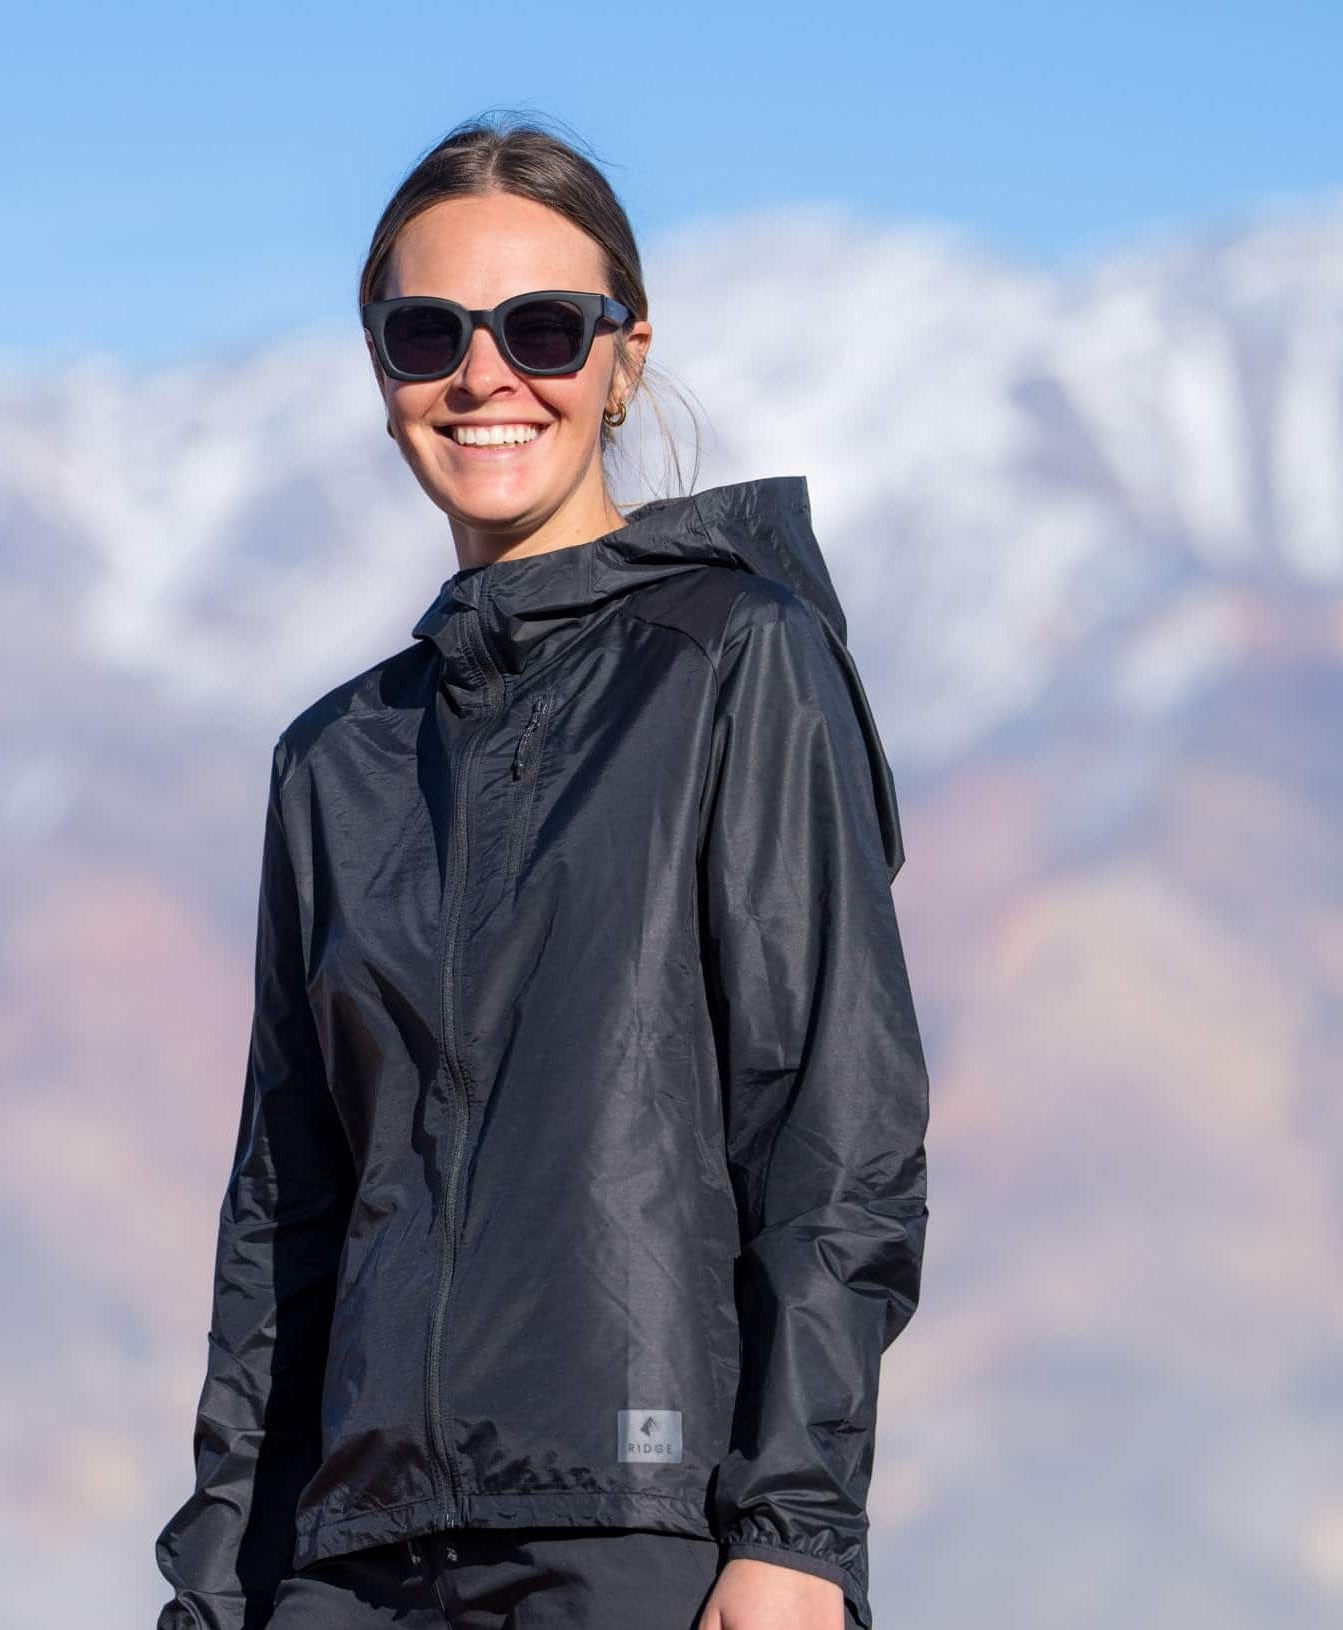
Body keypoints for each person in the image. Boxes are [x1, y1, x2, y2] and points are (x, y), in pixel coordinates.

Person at [154, 112, 931, 1630]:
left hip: (640, 1529)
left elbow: (834, 1126)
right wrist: (213, 1583)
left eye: (544, 329)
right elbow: (285, 1209)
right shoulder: (335, 761)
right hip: (350, 1553)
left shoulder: (733, 662)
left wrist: (795, 1531)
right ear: (379, 367)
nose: (484, 373)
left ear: (624, 358)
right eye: (429, 330)